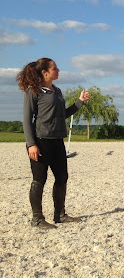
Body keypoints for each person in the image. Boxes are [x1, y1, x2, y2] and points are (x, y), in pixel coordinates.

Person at [16, 58, 91, 229]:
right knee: (39, 180)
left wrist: (79, 102)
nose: (58, 70)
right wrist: (31, 144)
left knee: (62, 177)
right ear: (45, 72)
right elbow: (27, 120)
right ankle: (37, 219)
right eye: (55, 68)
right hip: (40, 141)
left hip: (58, 140)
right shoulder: (33, 91)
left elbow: (61, 115)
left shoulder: (57, 91)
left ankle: (60, 215)